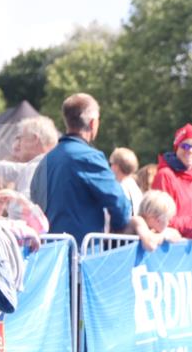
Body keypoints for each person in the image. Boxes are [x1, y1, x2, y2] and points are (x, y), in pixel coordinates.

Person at [30, 93, 161, 249]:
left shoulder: (46, 160)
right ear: (93, 123)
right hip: (81, 253)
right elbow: (118, 202)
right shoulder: (89, 157)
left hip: (49, 253)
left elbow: (34, 197)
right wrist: (119, 227)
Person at [0, 115, 58, 202]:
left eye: (20, 138)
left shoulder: (39, 167)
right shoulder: (46, 164)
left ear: (34, 139)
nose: (18, 143)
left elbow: (22, 209)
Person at [151, 123, 192, 239]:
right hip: (167, 250)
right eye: (185, 146)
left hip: (188, 251)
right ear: (176, 147)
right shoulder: (165, 176)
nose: (191, 151)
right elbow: (160, 221)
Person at [109, 147, 143, 216]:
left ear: (116, 166)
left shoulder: (117, 188)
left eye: (111, 164)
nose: (110, 167)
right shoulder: (135, 188)